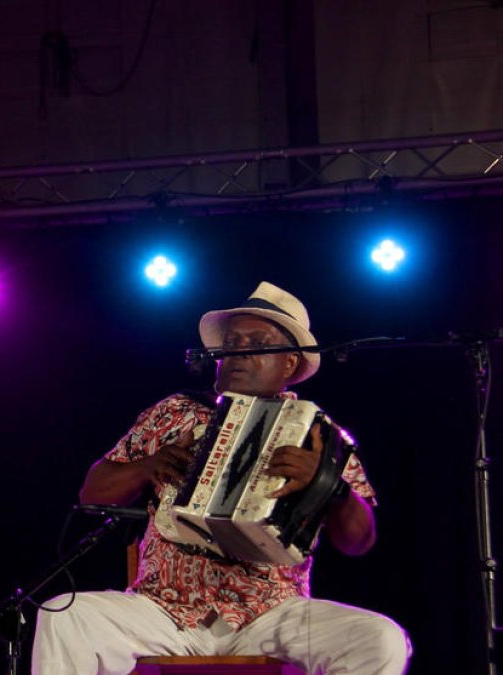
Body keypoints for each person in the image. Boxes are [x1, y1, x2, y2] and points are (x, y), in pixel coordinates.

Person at [31, 282, 410, 674]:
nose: (238, 353)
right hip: (163, 609)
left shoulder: (320, 436)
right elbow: (93, 493)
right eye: (231, 343)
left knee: (380, 638)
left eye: (257, 344)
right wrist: (148, 466)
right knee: (64, 616)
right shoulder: (175, 413)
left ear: (289, 364)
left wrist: (329, 486)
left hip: (271, 614)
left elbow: (359, 541)